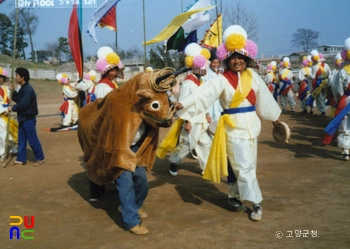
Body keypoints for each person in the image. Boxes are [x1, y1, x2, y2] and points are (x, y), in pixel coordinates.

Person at [175, 25, 281, 221]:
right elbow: (201, 96)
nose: (237, 61)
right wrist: (183, 103)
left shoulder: (254, 77)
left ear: (246, 58)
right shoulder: (220, 81)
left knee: (241, 165)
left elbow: (264, 100)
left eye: (240, 57)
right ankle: (256, 203)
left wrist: (275, 119)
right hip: (232, 127)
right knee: (244, 166)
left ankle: (233, 196)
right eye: (233, 57)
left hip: (252, 127)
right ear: (227, 59)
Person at [157, 43, 213, 177]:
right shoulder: (189, 83)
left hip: (201, 119)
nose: (206, 69)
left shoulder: (201, 82)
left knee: (205, 144)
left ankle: (206, 168)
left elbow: (203, 101)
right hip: (192, 120)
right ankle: (174, 162)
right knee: (187, 145)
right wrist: (187, 121)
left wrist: (207, 113)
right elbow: (183, 103)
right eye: (204, 66)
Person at [88, 46, 125, 202]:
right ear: (104, 71)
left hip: (113, 124)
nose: (114, 73)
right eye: (111, 70)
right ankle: (96, 190)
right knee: (100, 158)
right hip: (106, 126)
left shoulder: (111, 84)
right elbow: (104, 109)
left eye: (115, 70)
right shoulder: (103, 86)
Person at [7, 67, 45, 165]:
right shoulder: (23, 88)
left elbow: (23, 104)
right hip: (23, 118)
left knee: (32, 139)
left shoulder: (28, 89)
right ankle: (21, 159)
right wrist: (13, 91)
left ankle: (40, 158)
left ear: (22, 77)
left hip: (28, 118)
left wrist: (12, 108)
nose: (15, 77)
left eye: (17, 75)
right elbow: (18, 100)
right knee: (21, 140)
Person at [323, 37, 350, 160]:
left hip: (346, 99)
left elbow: (337, 88)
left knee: (344, 125)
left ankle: (345, 151)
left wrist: (338, 99)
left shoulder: (343, 71)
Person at [0, 67, 18, 162]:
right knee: (2, 135)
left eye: (1, 77)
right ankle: (2, 154)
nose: (0, 79)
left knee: (12, 131)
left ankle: (13, 149)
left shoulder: (6, 88)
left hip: (7, 113)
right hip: (1, 114)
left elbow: (13, 95)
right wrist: (3, 110)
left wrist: (12, 89)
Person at [306, 50, 331, 116]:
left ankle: (322, 111)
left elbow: (312, 77)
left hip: (319, 84)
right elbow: (329, 74)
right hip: (326, 82)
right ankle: (325, 108)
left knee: (319, 97)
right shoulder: (326, 65)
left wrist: (307, 76)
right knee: (324, 96)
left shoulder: (314, 67)